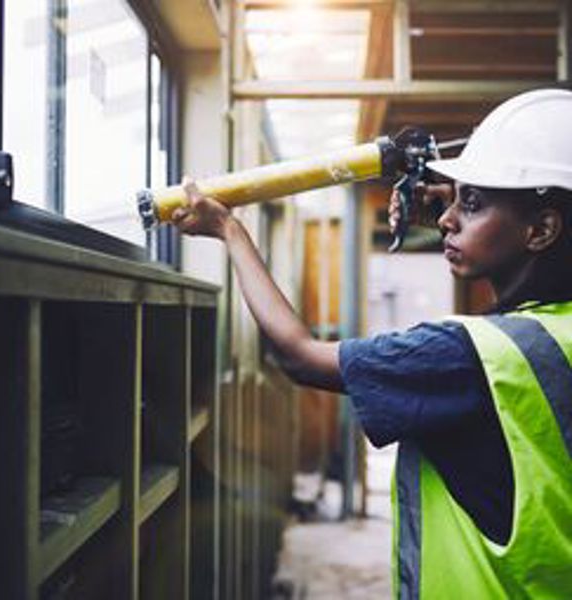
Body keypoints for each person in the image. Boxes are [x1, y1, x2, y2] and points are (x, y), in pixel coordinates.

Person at [171, 88, 572, 598]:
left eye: (471, 203)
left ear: (541, 230)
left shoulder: (468, 355)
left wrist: (229, 230)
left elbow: (300, 357)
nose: (448, 217)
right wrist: (465, 218)